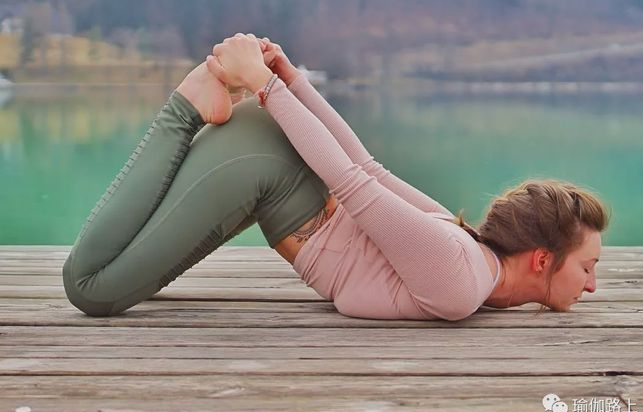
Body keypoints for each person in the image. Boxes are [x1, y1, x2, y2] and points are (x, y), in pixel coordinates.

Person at [62, 33, 609, 321]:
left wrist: (289, 80)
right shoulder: (461, 277)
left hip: (269, 181)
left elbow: (368, 168)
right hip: (262, 168)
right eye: (587, 266)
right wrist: (267, 87)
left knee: (127, 281)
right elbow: (351, 180)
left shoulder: (465, 255)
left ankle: (204, 102)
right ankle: (185, 106)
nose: (591, 284)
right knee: (90, 289)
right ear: (542, 258)